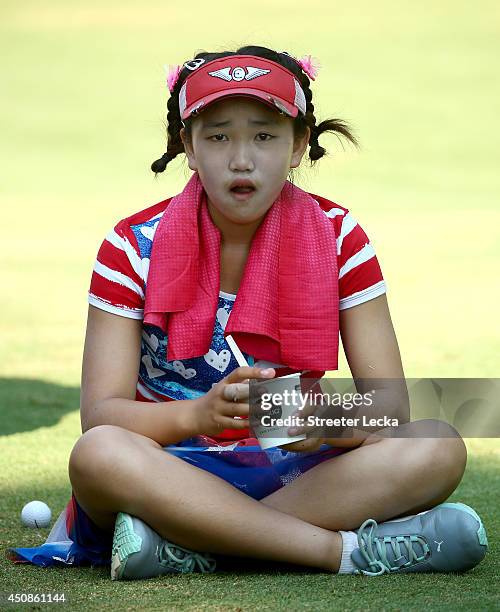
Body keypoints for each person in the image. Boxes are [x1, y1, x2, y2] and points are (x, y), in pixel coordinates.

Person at [7, 45, 488, 579]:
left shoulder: (339, 238)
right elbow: (102, 414)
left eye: (264, 135)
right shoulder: (130, 246)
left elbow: (388, 406)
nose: (241, 158)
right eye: (217, 137)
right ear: (186, 145)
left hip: (292, 471)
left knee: (438, 445)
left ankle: (185, 545)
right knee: (97, 453)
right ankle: (343, 553)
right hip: (167, 471)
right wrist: (198, 415)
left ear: (299, 144)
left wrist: (325, 423)